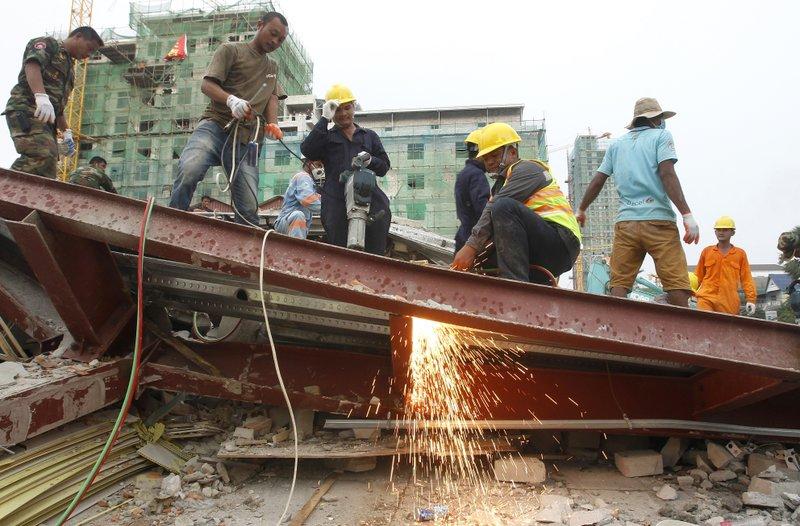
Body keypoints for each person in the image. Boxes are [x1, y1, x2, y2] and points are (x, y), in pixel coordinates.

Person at [168, 11, 288, 226]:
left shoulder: (272, 67)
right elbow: (207, 85)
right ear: (259, 25)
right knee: (190, 170)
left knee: (249, 204)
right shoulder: (230, 50)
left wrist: (273, 124)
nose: (275, 41)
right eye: (273, 33)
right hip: (216, 126)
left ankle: (247, 253)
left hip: (247, 141)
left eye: (281, 39)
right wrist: (231, 101)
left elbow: (272, 96)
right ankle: (170, 223)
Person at [576, 97, 699, 307]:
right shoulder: (661, 136)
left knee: (619, 287)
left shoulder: (616, 145)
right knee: (678, 288)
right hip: (658, 222)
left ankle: (615, 334)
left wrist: (581, 209)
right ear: (657, 119)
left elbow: (597, 180)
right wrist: (687, 214)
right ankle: (682, 337)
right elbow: (667, 174)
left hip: (626, 224)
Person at [451, 122, 581, 284]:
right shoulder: (502, 184)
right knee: (486, 257)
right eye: (486, 158)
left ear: (512, 152)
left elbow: (494, 208)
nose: (489, 162)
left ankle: (515, 286)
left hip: (562, 242)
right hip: (539, 247)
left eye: (494, 155)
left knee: (502, 207)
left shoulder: (527, 169)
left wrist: (470, 247)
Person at [300, 84, 391, 255]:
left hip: (369, 197)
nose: (343, 114)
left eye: (347, 108)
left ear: (354, 106)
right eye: (337, 110)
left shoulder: (369, 136)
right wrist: (324, 119)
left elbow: (384, 166)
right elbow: (307, 149)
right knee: (341, 252)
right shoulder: (326, 138)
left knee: (375, 249)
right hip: (336, 201)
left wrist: (370, 160)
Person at [4, 27, 103, 179]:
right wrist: (41, 96)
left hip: (46, 119)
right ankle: (6, 191)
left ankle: (18, 200)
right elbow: (32, 64)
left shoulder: (70, 69)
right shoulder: (50, 44)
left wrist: (67, 132)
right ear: (78, 36)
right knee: (42, 154)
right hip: (26, 108)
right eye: (89, 49)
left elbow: (58, 108)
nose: (88, 55)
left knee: (48, 169)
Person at [695, 216, 757, 315]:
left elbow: (746, 279)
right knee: (706, 323)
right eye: (718, 229)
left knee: (726, 329)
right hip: (706, 297)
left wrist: (751, 299)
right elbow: (698, 276)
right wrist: (689, 292)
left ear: (733, 232)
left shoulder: (740, 254)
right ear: (715, 232)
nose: (721, 232)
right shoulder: (707, 251)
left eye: (725, 230)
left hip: (729, 301)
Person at [454, 128, 490, 252]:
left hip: (463, 235)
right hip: (473, 238)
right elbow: (483, 210)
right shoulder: (477, 175)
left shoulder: (464, 173)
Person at [274, 157, 323, 239]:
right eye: (318, 165)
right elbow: (308, 200)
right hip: (288, 221)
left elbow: (320, 200)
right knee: (298, 215)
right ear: (309, 163)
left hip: (296, 225)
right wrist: (328, 211)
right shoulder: (302, 177)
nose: (320, 169)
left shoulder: (311, 183)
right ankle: (297, 250)